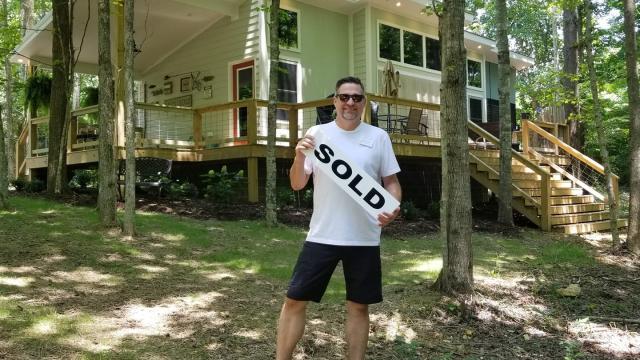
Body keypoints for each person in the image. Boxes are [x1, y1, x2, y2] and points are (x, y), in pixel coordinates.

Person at [276, 76, 402, 360]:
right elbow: (297, 184)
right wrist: (297, 157)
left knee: (358, 307)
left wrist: (394, 207)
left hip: (364, 238)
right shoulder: (317, 134)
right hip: (322, 235)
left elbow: (391, 181)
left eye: (357, 98)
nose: (350, 103)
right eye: (344, 97)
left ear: (363, 103)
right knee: (294, 300)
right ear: (335, 101)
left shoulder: (378, 137)